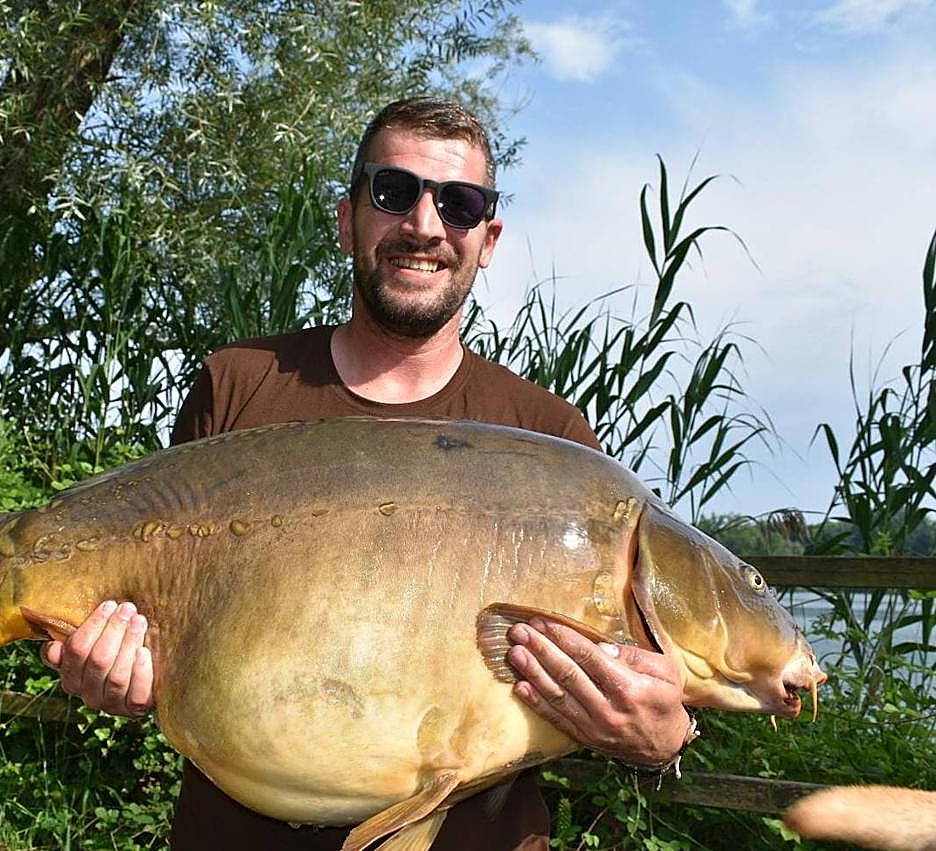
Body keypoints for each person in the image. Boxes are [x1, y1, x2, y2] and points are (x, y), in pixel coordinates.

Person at [42, 96, 695, 850]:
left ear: (488, 238)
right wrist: (114, 678)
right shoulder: (238, 385)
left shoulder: (551, 438)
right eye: (394, 192)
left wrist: (663, 737)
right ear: (348, 216)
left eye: (458, 203)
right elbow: (150, 634)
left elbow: (656, 690)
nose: (424, 224)